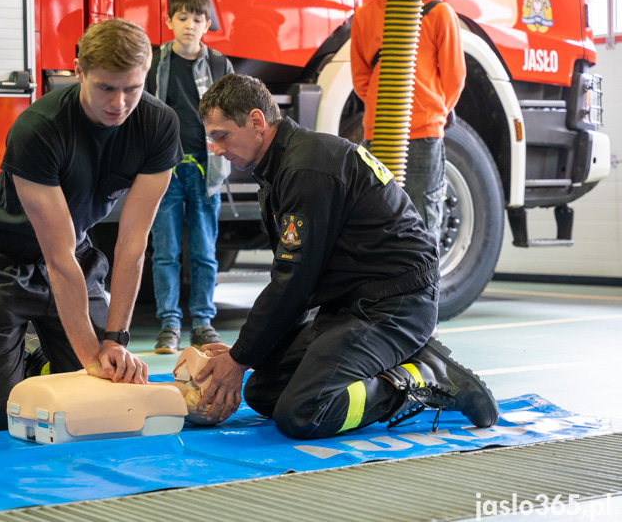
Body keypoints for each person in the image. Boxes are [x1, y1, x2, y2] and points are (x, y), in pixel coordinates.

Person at [192, 73, 497, 439]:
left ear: (257, 122)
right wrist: (243, 354)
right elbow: (298, 282)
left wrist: (239, 357)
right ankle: (406, 362)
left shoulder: (306, 167)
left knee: (303, 413)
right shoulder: (284, 168)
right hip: (352, 307)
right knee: (262, 390)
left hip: (395, 306)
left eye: (221, 136)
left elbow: (293, 282)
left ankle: (424, 375)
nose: (217, 149)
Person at [0, 18, 183, 432]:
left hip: (75, 251)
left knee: (104, 382)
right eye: (106, 88)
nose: (119, 103)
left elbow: (132, 244)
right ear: (79, 70)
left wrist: (116, 339)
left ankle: (28, 356)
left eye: (131, 89)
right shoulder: (39, 130)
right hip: (3, 255)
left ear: (146, 76)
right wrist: (90, 360)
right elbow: (57, 257)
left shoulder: (160, 125)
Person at [350, 0, 466, 242]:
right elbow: (361, 79)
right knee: (379, 220)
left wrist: (429, 113)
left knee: (422, 221)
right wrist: (385, 110)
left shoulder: (439, 13)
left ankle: (423, 288)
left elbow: (455, 78)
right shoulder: (365, 16)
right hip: (379, 134)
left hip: (423, 135)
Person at [146, 0, 234, 354]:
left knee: (204, 251)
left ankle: (202, 323)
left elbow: (233, 115)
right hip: (165, 169)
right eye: (181, 18)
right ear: (168, 22)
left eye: (197, 19)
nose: (189, 25)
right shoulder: (153, 60)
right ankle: (168, 325)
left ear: (207, 25)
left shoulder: (218, 64)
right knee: (164, 251)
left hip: (206, 168)